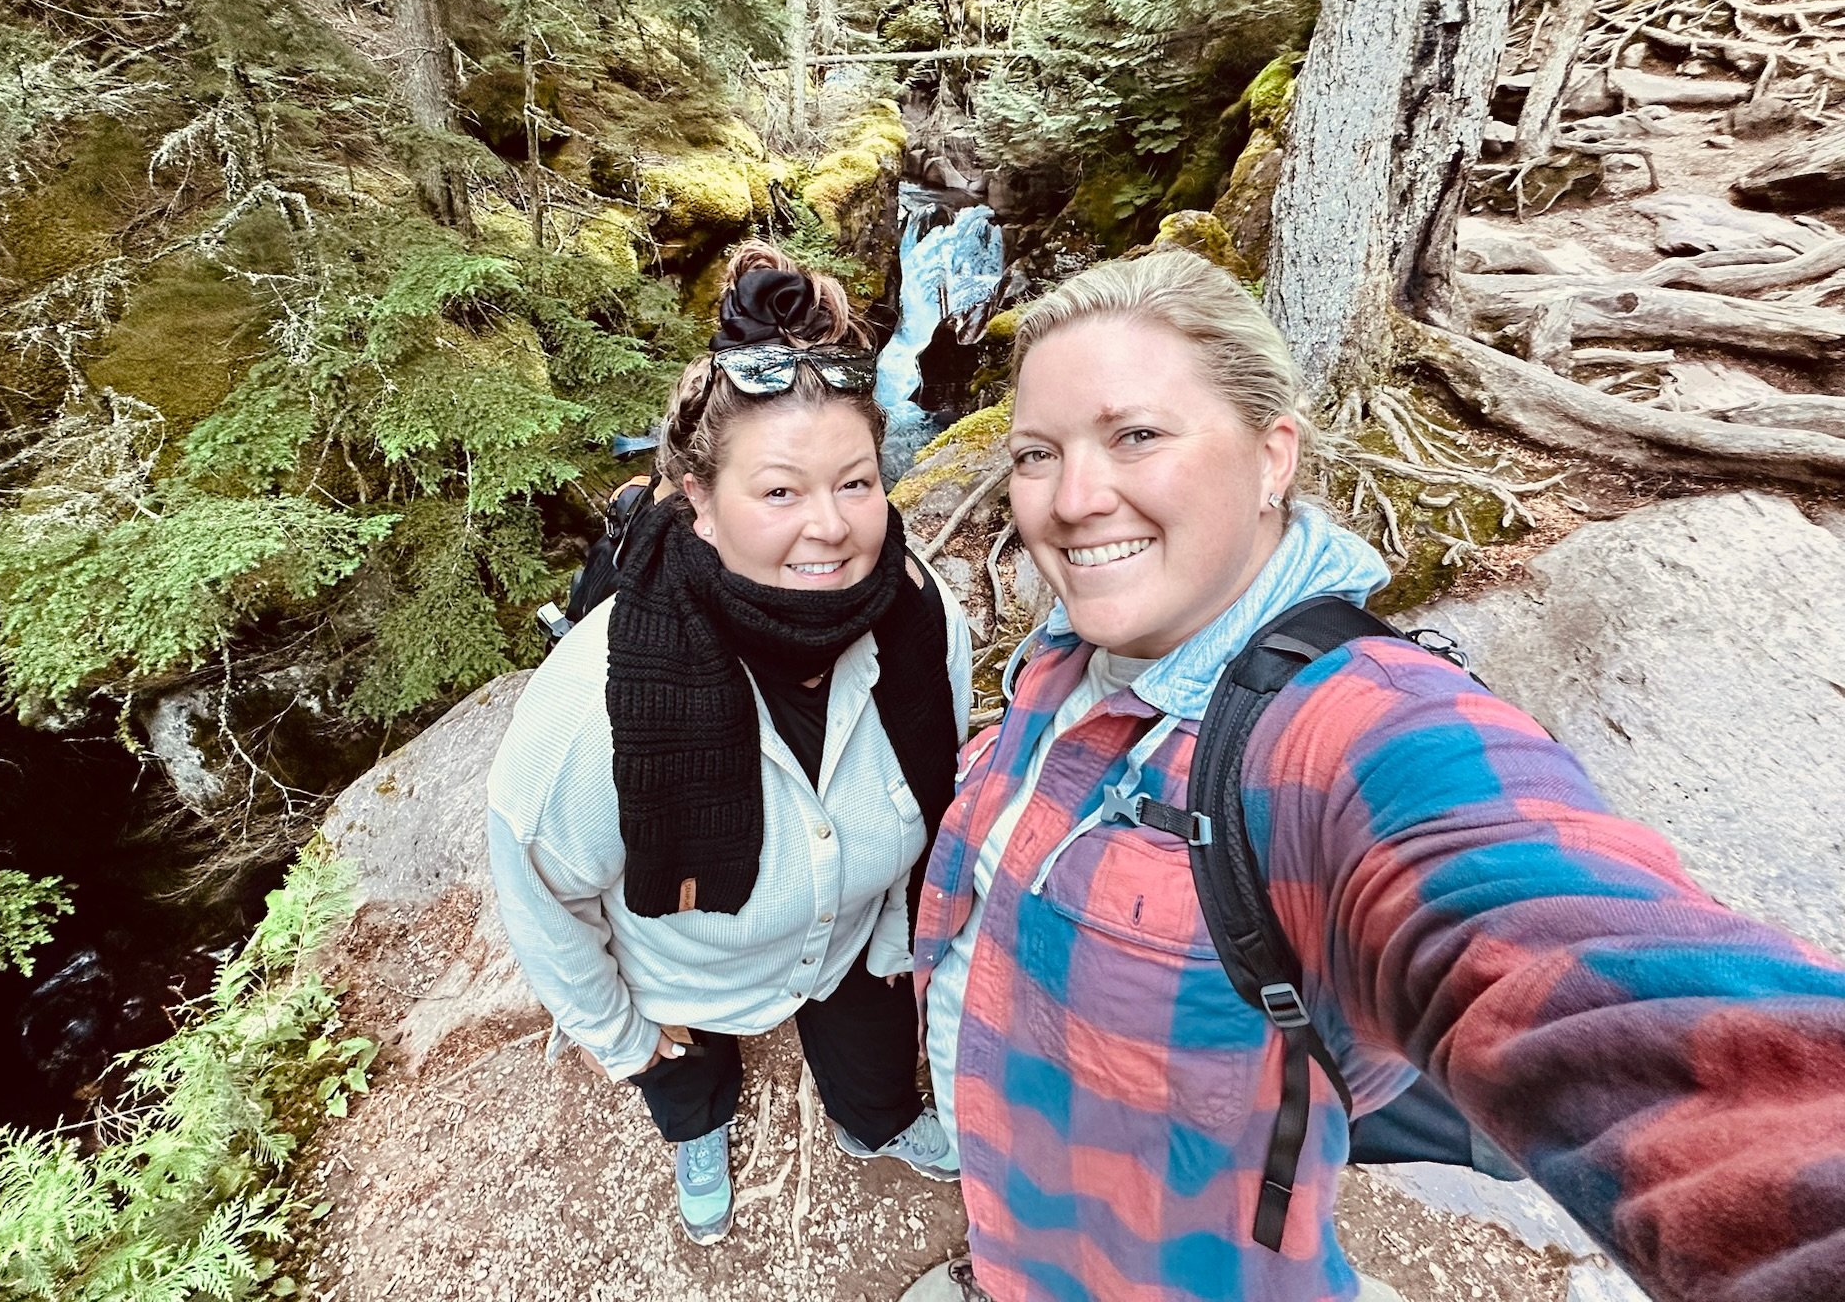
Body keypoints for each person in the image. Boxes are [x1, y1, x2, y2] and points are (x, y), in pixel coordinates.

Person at [916, 250, 1845, 1301]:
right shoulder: (1065, 652)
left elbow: (1589, 970)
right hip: (1021, 1209)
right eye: (1037, 453)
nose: (1072, 499)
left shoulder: (1357, 733)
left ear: (1271, 456)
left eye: (1134, 434)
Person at [489, 243, 972, 1246]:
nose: (832, 529)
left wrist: (891, 935)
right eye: (781, 492)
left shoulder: (925, 626)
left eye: (854, 483)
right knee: (683, 1069)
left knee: (874, 1069)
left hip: (849, 944)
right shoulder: (594, 706)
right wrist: (623, 1038)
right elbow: (541, 892)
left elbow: (931, 797)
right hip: (684, 975)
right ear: (696, 501)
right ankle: (697, 1125)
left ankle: (873, 1122)